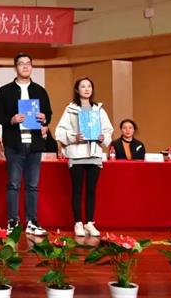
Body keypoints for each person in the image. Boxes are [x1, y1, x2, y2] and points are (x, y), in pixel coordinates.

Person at [0, 53, 52, 236]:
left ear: (32, 67)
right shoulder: (5, 91)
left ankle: (32, 221)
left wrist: (44, 118)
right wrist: (11, 119)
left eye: (28, 63)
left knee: (33, 185)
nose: (25, 66)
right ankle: (13, 221)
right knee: (13, 184)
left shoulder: (40, 91)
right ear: (15, 68)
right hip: (14, 143)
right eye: (21, 64)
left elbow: (48, 114)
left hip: (34, 144)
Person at [55, 77, 114, 237]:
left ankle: (89, 222)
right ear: (77, 90)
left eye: (89, 86)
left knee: (91, 191)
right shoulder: (71, 109)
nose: (87, 89)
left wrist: (103, 137)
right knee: (77, 190)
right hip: (77, 155)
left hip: (94, 154)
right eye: (83, 86)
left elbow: (108, 130)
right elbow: (60, 131)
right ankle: (78, 223)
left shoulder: (99, 110)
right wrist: (74, 137)